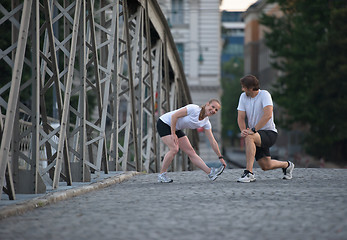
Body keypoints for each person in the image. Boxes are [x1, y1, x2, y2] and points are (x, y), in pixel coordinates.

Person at [236, 75, 294, 182]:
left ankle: (249, 173)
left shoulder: (264, 95)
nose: (242, 89)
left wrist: (253, 130)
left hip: (269, 133)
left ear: (250, 88)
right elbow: (240, 117)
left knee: (249, 137)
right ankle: (287, 165)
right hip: (256, 134)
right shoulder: (243, 97)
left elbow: (268, 115)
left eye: (244, 87)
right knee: (265, 165)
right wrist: (243, 130)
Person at [157, 99, 226, 183]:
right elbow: (174, 116)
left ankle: (210, 172)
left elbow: (212, 141)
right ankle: (162, 174)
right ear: (207, 104)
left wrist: (220, 157)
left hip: (176, 128)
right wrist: (173, 133)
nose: (213, 110)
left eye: (216, 110)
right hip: (164, 123)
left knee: (191, 152)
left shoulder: (206, 122)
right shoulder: (193, 109)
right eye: (212, 107)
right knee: (174, 149)